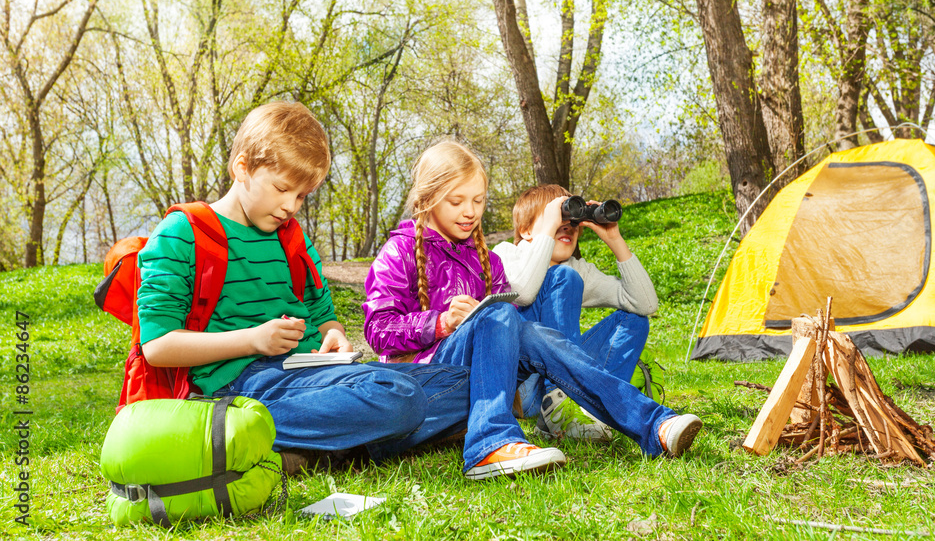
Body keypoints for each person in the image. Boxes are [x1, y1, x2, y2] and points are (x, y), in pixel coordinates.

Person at [137, 101, 469, 473]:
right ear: (242, 167)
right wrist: (254, 340)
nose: (290, 206)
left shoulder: (292, 239)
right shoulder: (182, 234)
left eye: (301, 196)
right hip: (242, 386)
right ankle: (304, 438)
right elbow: (158, 346)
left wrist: (335, 338)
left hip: (312, 372)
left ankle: (326, 447)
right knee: (402, 398)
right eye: (282, 189)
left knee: (465, 382)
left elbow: (325, 318)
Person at [363, 139, 702, 481]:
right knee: (501, 314)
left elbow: (517, 329)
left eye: (478, 201)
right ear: (428, 199)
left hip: (486, 377)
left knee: (523, 328)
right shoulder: (400, 250)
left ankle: (654, 425)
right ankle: (490, 442)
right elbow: (377, 329)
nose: (470, 211)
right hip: (429, 378)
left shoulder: (486, 260)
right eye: (457, 201)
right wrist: (441, 322)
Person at [493, 185, 656, 440]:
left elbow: (645, 303)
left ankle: (597, 411)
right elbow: (523, 292)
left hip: (569, 376)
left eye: (573, 221)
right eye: (558, 219)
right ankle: (558, 407)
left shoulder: (577, 269)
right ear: (526, 231)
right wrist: (548, 234)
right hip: (520, 387)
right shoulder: (506, 254)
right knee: (562, 277)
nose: (568, 226)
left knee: (634, 320)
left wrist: (615, 240)